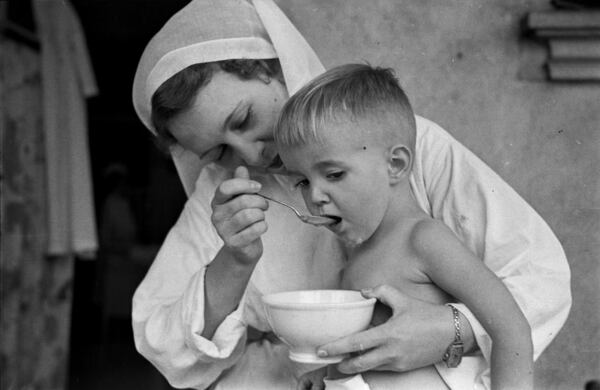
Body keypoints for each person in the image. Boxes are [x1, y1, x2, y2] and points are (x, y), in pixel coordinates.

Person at [131, 0, 571, 389]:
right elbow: (165, 346)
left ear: (271, 67)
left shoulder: (406, 146)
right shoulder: (223, 199)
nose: (250, 153)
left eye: (244, 119)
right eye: (218, 151)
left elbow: (540, 277)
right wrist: (234, 262)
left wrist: (451, 329)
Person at [275, 63, 533, 390]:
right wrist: (329, 373)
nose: (314, 196)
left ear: (395, 165)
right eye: (301, 181)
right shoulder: (353, 262)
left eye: (334, 175)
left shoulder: (423, 239)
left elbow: (512, 329)